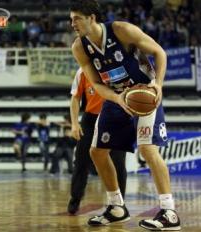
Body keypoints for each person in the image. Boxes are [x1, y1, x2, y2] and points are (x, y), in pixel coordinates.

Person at [70, 1, 181, 231]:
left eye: (76, 19)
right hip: (117, 97)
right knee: (96, 151)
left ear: (92, 18)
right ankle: (116, 207)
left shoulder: (121, 30)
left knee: (148, 149)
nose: (72, 24)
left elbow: (159, 52)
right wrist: (117, 98)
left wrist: (158, 85)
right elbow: (98, 85)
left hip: (144, 93)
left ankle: (169, 212)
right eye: (71, 20)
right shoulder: (79, 48)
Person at [67, 68, 128, 215]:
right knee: (81, 161)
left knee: (118, 163)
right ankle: (75, 199)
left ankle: (119, 204)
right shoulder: (82, 71)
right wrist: (74, 123)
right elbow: (75, 98)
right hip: (90, 119)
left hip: (116, 118)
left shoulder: (118, 66)